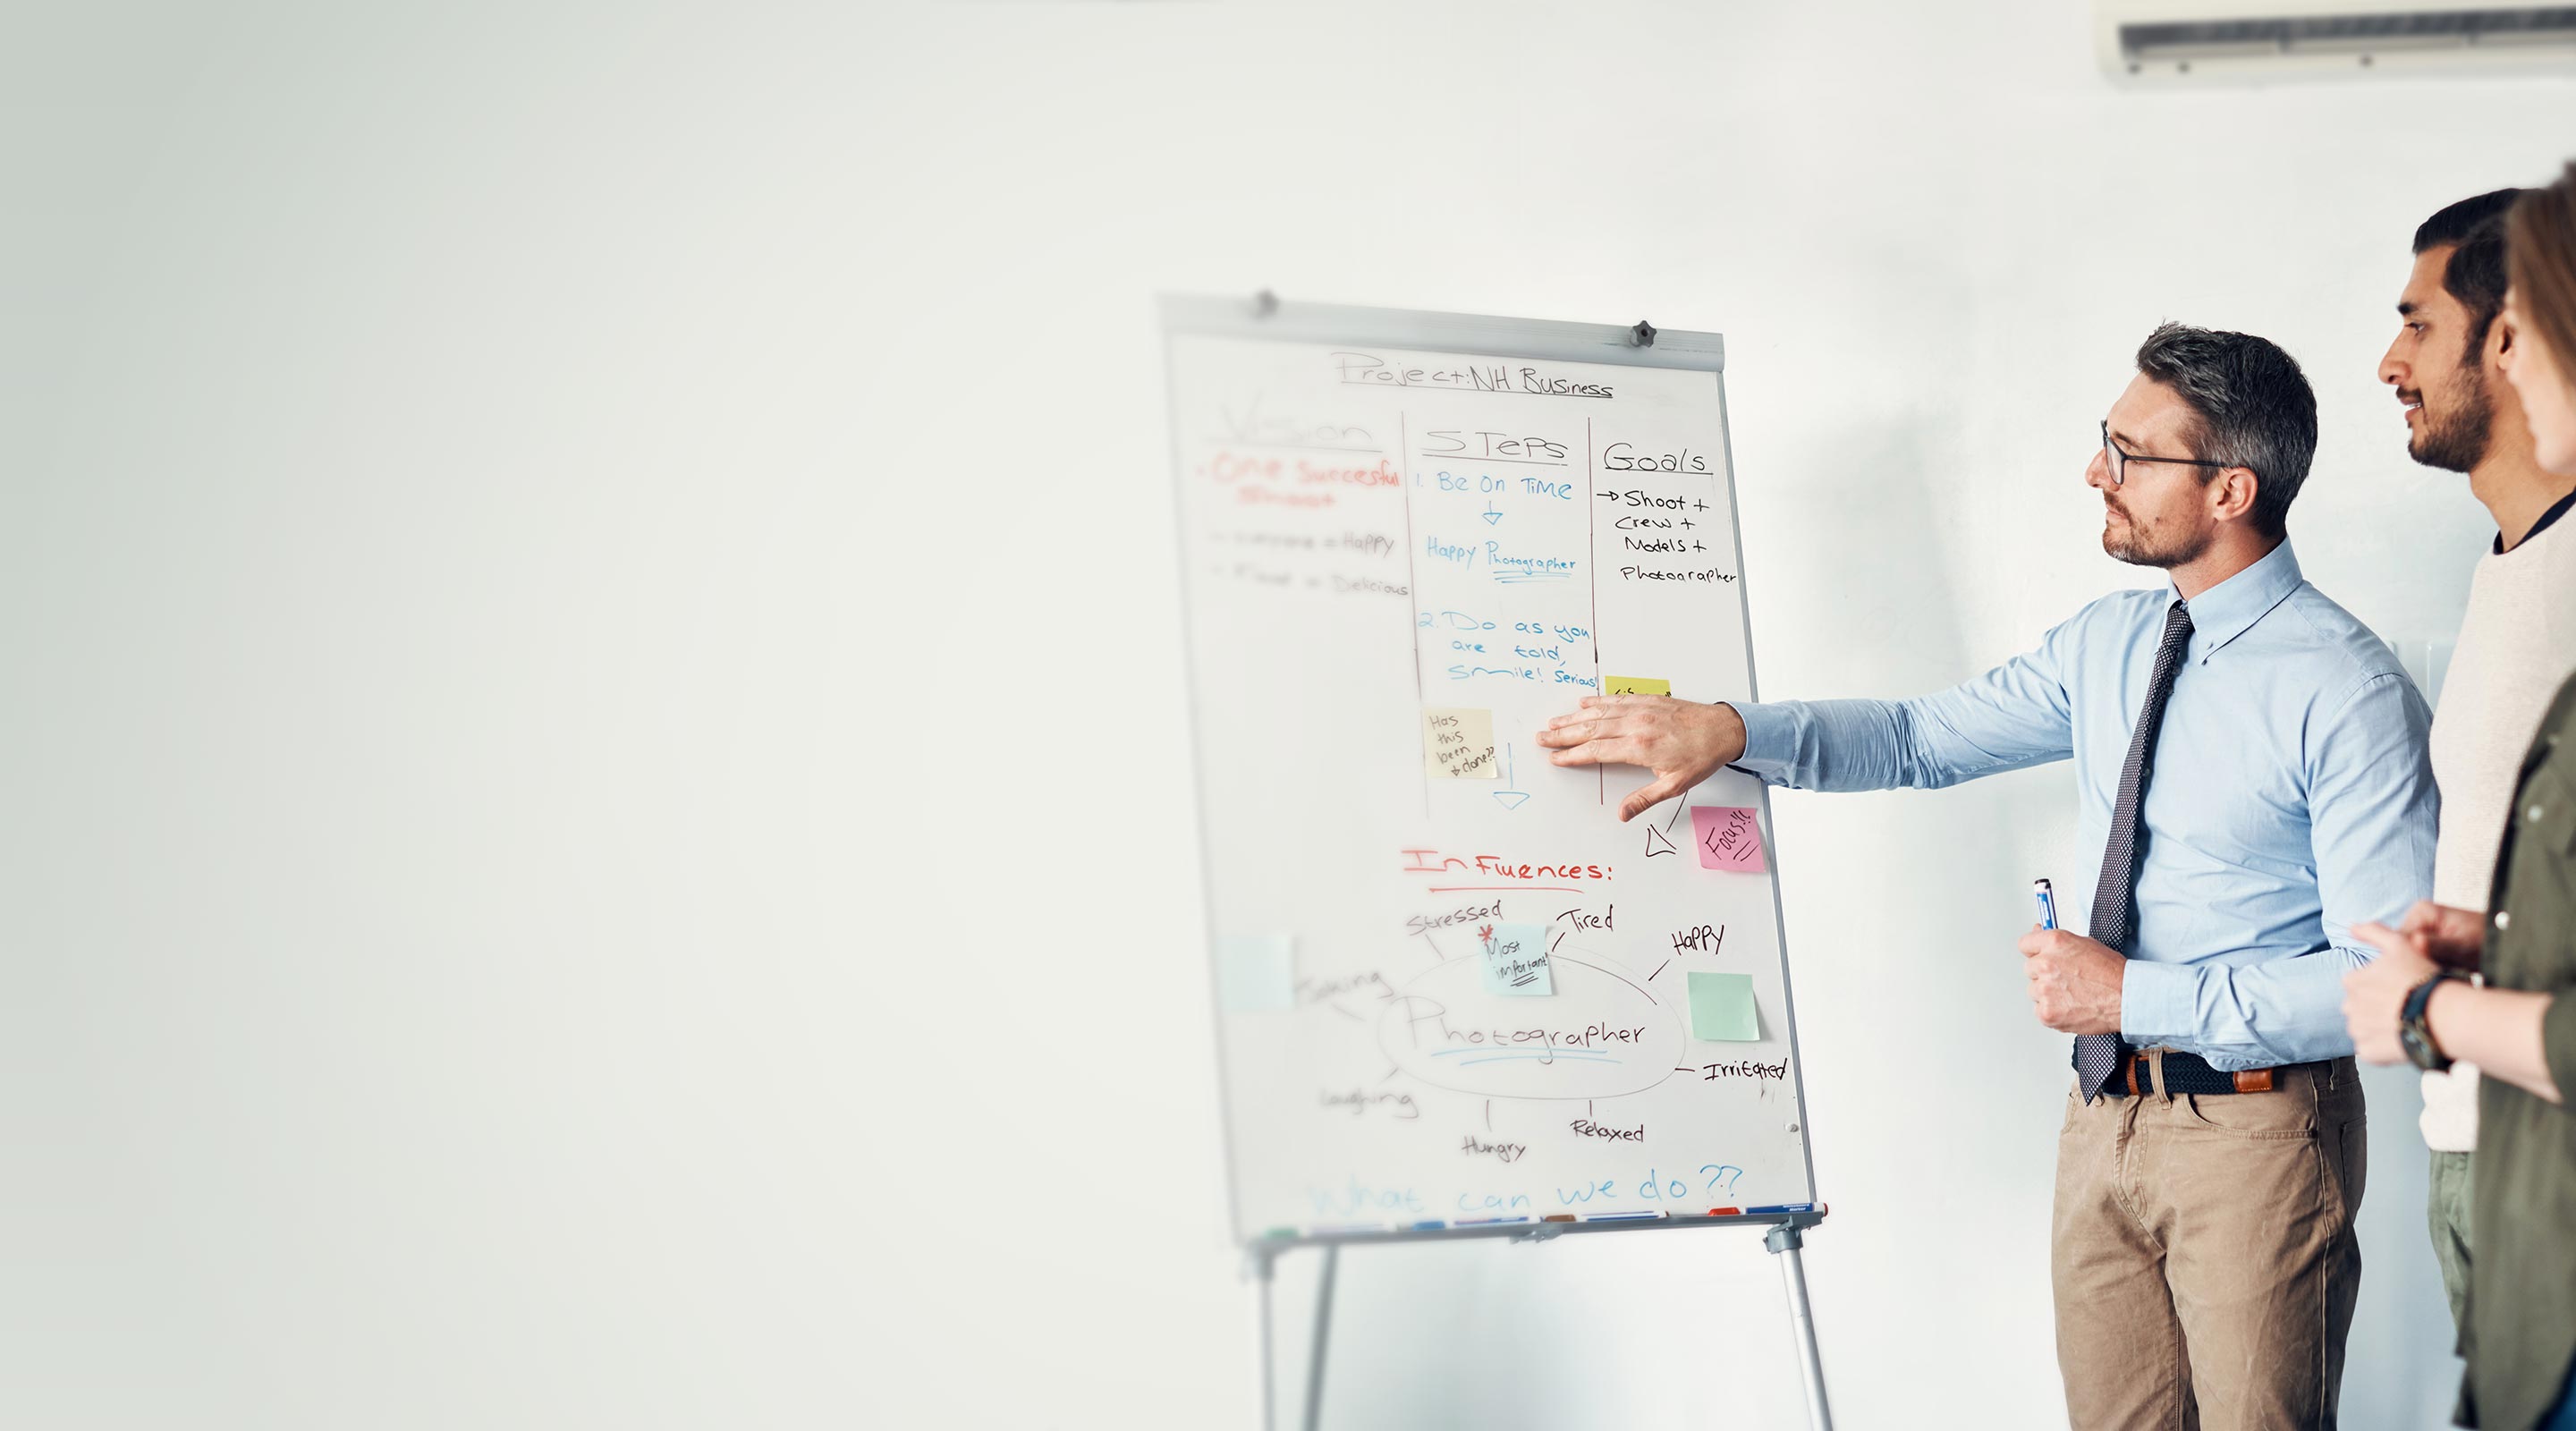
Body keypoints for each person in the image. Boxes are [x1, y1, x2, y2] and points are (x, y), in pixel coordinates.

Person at [1539, 324, 2437, 1430]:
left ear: (2228, 490)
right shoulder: (2110, 642)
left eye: (2132, 452)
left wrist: (2130, 997)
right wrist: (1728, 728)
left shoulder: (2345, 691)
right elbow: (1920, 737)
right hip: (2102, 1116)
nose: (2096, 470)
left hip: (2257, 1134)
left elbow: (2383, 984)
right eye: (2103, 438)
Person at [2345, 162, 2576, 1431]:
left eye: (2417, 322)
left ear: (2511, 331)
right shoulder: (2508, 574)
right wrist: (2482, 945)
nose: (2391, 362)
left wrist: (2435, 1007)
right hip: (2474, 1131)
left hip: (2546, 1146)